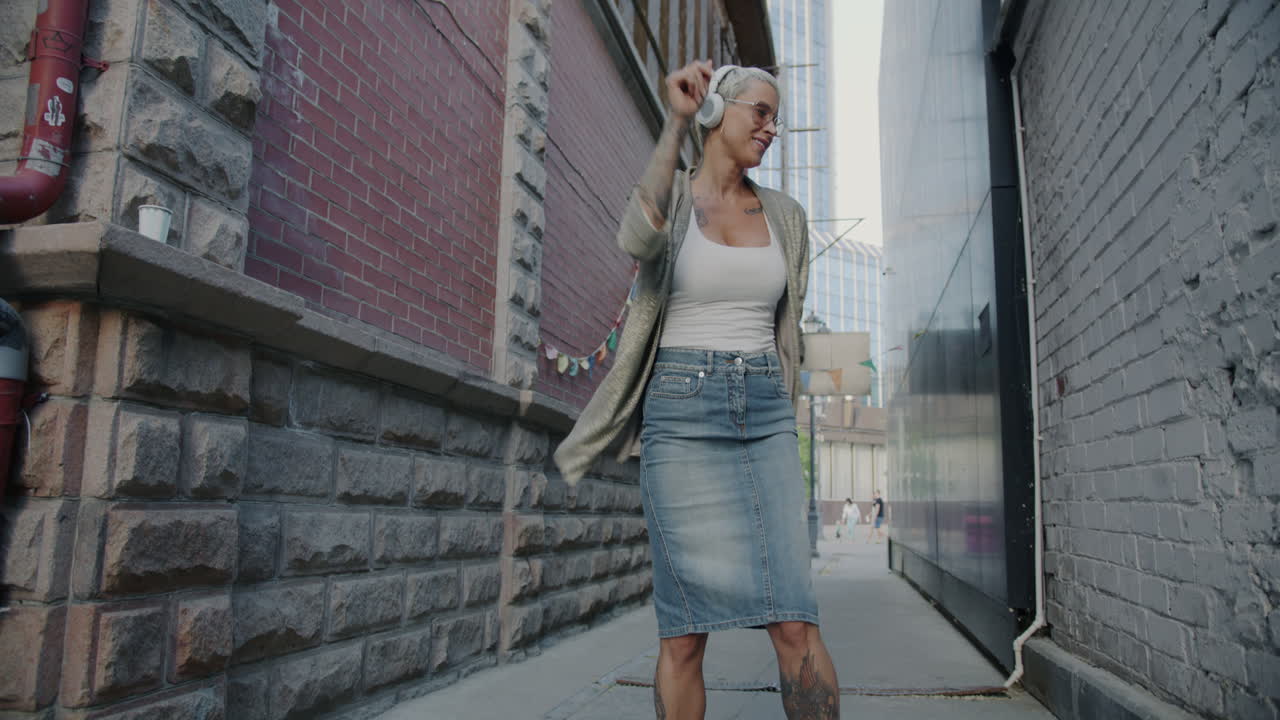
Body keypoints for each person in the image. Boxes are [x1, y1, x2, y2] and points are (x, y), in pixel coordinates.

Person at [552, 60, 838, 719]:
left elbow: (785, 328)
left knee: (794, 621)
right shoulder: (676, 195)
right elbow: (636, 236)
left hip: (764, 414)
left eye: (777, 117)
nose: (772, 128)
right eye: (758, 112)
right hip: (681, 414)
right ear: (717, 112)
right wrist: (675, 120)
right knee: (684, 634)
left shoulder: (787, 218)